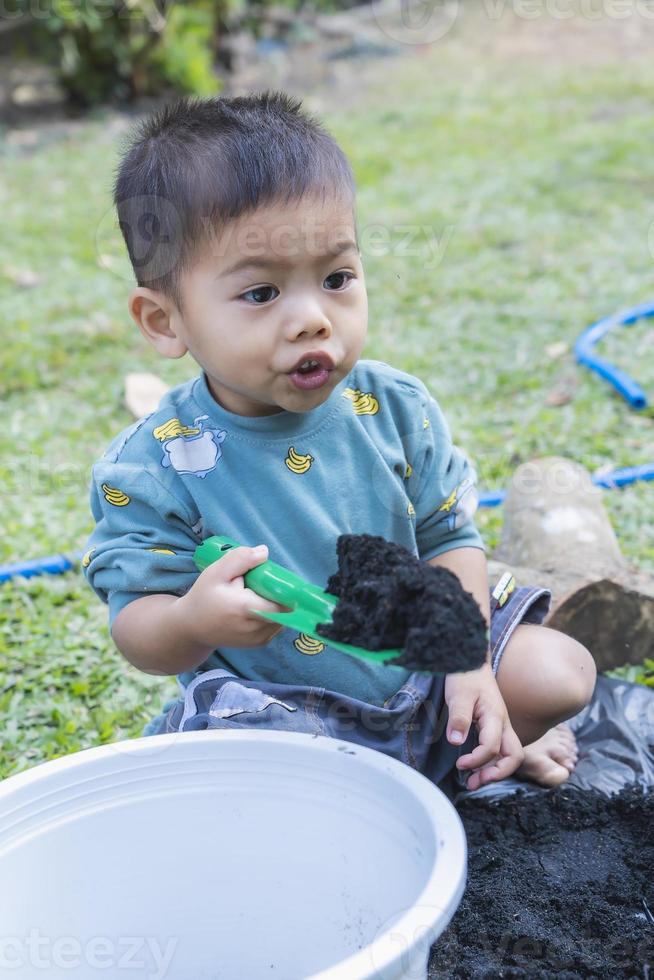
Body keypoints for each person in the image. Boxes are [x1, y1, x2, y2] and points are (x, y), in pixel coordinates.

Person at [82, 91, 596, 798]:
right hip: (287, 715)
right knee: (233, 796)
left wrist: (468, 661)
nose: (313, 320)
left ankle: (489, 742)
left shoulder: (391, 408)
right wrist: (191, 619)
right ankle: (405, 781)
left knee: (560, 674)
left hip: (425, 668)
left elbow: (450, 536)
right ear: (165, 321)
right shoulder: (155, 464)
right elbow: (137, 629)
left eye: (336, 279)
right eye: (261, 294)